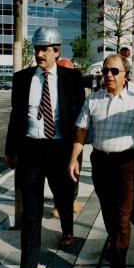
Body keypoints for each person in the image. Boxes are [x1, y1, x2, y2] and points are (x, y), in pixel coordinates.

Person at [5, 26, 85, 268]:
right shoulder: (22, 78)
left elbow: (79, 117)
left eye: (45, 49)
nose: (39, 54)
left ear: (56, 51)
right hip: (31, 150)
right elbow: (16, 115)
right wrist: (9, 150)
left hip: (60, 149)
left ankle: (67, 230)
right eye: (37, 48)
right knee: (31, 212)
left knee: (64, 197)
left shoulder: (72, 78)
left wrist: (78, 152)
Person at [68, 53, 134, 268]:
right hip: (101, 166)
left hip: (126, 166)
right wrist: (74, 158)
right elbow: (81, 130)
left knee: (122, 222)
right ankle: (116, 245)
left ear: (125, 75)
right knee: (109, 216)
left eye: (114, 71)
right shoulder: (92, 100)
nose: (108, 76)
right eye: (105, 71)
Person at [51, 57, 80, 218]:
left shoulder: (76, 88)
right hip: (55, 140)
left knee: (73, 172)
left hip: (74, 139)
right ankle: (58, 202)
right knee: (56, 175)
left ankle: (72, 199)